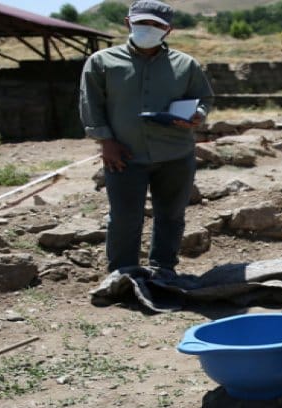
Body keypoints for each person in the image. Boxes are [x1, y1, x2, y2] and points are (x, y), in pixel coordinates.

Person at [79, 0, 215, 277]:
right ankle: (123, 274)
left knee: (172, 215)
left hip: (176, 154)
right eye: (143, 22)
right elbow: (90, 104)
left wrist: (198, 115)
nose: (149, 28)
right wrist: (106, 142)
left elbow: (204, 98)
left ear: (168, 30)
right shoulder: (102, 62)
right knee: (124, 218)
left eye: (156, 24)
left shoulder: (185, 64)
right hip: (124, 155)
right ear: (128, 23)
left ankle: (163, 269)